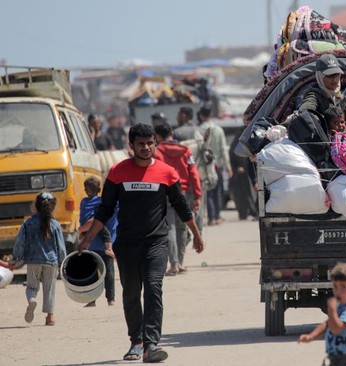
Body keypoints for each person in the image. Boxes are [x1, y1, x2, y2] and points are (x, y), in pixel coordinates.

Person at [78, 123, 204, 363]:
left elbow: (181, 205)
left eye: (150, 143)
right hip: (126, 244)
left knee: (154, 288)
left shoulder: (167, 173)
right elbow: (104, 211)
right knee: (132, 293)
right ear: (131, 145)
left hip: (156, 243)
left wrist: (196, 234)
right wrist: (87, 240)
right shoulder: (117, 172)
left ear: (155, 144)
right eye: (141, 144)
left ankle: (151, 345)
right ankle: (136, 341)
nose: (146, 148)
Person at [153, 121, 202, 276]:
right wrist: (197, 195)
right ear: (172, 134)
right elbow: (194, 173)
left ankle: (173, 264)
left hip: (165, 192)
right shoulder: (186, 151)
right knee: (182, 227)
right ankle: (180, 263)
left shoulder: (157, 151)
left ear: (158, 137)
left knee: (170, 227)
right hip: (185, 192)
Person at [13, 191, 66, 326]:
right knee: (50, 289)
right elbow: (60, 246)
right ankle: (50, 317)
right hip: (51, 261)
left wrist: (17, 257)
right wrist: (63, 262)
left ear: (35, 206)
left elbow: (20, 242)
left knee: (32, 287)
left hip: (33, 261)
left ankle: (32, 300)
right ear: (52, 206)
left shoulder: (28, 223)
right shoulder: (55, 224)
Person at [298, 262, 346, 366]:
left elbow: (337, 328)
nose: (338, 291)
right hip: (335, 356)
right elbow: (328, 324)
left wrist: (331, 310)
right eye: (335, 287)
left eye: (343, 287)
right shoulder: (342, 304)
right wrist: (312, 336)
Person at [79, 176, 117, 307]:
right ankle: (95, 299)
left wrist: (81, 230)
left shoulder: (102, 203)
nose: (85, 191)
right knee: (96, 272)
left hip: (99, 242)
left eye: (87, 189)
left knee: (106, 273)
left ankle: (109, 298)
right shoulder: (86, 202)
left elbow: (93, 221)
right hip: (92, 242)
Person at [197, 106, 232, 226]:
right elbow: (223, 149)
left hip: (205, 166)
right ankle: (217, 216)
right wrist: (228, 166)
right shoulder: (218, 129)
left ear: (201, 116)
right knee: (218, 191)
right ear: (210, 115)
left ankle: (211, 217)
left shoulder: (199, 130)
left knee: (209, 192)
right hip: (218, 165)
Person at [229, 127, 258, 221]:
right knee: (240, 195)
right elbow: (232, 157)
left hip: (249, 173)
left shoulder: (249, 141)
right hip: (239, 175)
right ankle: (243, 213)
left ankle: (254, 212)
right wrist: (237, 167)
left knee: (250, 193)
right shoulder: (236, 144)